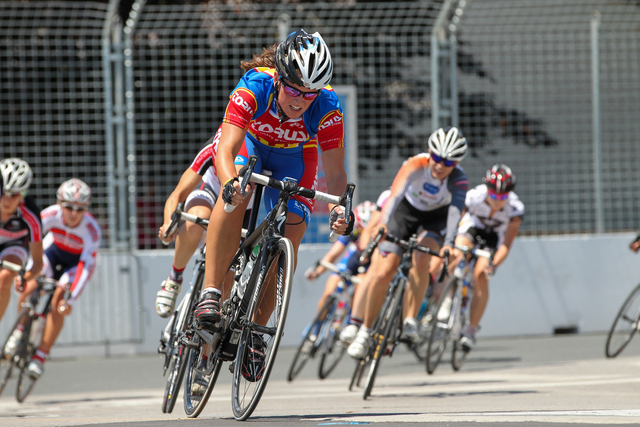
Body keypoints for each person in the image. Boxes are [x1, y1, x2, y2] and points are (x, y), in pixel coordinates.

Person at [193, 29, 351, 378]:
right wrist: (230, 182)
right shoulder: (254, 86)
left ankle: (256, 335)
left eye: (309, 94)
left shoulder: (328, 108)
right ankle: (211, 290)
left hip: (295, 157)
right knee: (239, 193)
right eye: (293, 89)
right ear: (278, 77)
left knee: (293, 232)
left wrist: (341, 208)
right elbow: (227, 148)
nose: (299, 100)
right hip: (251, 145)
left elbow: (336, 174)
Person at [347, 126, 469, 359]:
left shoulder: (459, 180)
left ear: (456, 164)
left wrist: (449, 243)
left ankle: (410, 320)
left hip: (435, 220)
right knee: (384, 271)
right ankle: (364, 331)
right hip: (405, 213)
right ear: (429, 153)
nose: (440, 165)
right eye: (437, 157)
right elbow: (395, 195)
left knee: (422, 258)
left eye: (448, 162)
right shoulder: (416, 164)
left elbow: (455, 212)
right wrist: (383, 223)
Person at [4, 178, 101, 378]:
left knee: (59, 303)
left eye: (80, 209)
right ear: (59, 203)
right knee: (29, 285)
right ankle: (20, 329)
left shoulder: (92, 230)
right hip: (52, 253)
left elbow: (84, 267)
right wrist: (22, 272)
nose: (74, 213)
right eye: (69, 207)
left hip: (75, 264)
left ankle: (40, 356)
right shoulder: (48, 215)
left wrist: (70, 298)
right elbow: (29, 240)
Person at [450, 164, 524, 351]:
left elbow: (506, 243)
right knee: (457, 253)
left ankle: (471, 330)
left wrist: (494, 264)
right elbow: (458, 222)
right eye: (494, 195)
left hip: (492, 239)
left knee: (481, 276)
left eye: (503, 197)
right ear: (487, 190)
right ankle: (447, 297)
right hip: (472, 229)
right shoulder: (474, 197)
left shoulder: (515, 209)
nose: (498, 200)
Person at [303, 201, 377, 344]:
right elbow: (333, 255)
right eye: (359, 232)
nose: (362, 236)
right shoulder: (352, 233)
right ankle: (317, 327)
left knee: (360, 287)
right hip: (350, 262)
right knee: (329, 291)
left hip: (366, 268)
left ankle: (351, 324)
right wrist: (317, 272)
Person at [0, 158, 43, 324]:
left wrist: (26, 277)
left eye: (14, 195)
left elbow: (38, 261)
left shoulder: (31, 215)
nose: (7, 200)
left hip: (14, 246)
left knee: (5, 276)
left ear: (23, 194)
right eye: (3, 193)